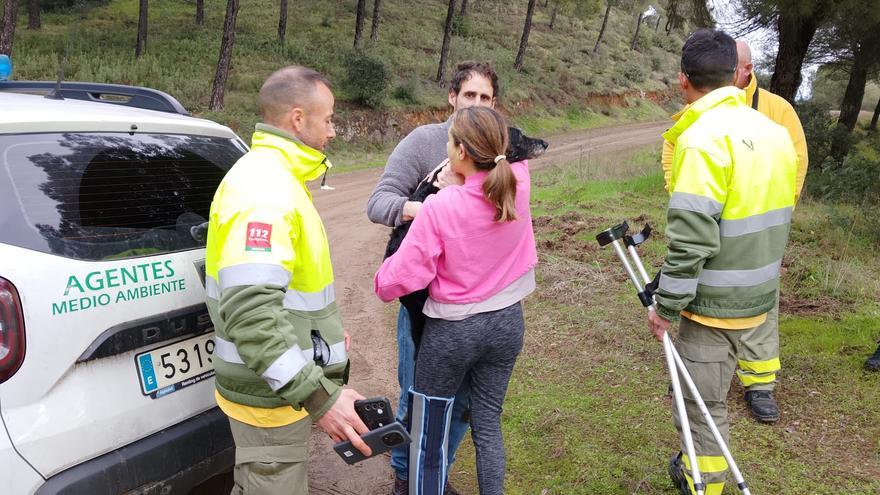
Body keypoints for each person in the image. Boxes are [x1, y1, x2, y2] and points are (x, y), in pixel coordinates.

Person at [205, 66, 370, 495]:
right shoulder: (264, 190)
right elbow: (251, 314)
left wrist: (323, 334)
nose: (334, 131)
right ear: (298, 119)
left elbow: (290, 292)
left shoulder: (279, 179)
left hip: (274, 391)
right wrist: (321, 398)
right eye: (329, 118)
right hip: (269, 397)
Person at [648, 30, 798, 495]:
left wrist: (665, 306)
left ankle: (704, 484)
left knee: (701, 405)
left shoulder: (702, 139)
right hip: (760, 296)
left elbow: (691, 239)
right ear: (736, 75)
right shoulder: (775, 135)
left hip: (712, 305)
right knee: (708, 400)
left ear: (682, 81)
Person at [375, 106, 537, 495]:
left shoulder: (441, 207)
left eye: (449, 142)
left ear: (461, 151)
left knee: (428, 429)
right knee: (488, 424)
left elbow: (393, 281)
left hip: (453, 331)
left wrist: (439, 191)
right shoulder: (519, 182)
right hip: (507, 323)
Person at [366, 61, 499, 495]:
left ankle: (435, 470)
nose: (477, 104)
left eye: (485, 98)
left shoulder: (498, 147)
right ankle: (406, 474)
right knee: (416, 394)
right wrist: (426, 212)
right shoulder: (424, 142)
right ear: (452, 97)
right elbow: (378, 202)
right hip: (422, 299)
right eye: (470, 96)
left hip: (476, 301)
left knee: (462, 401)